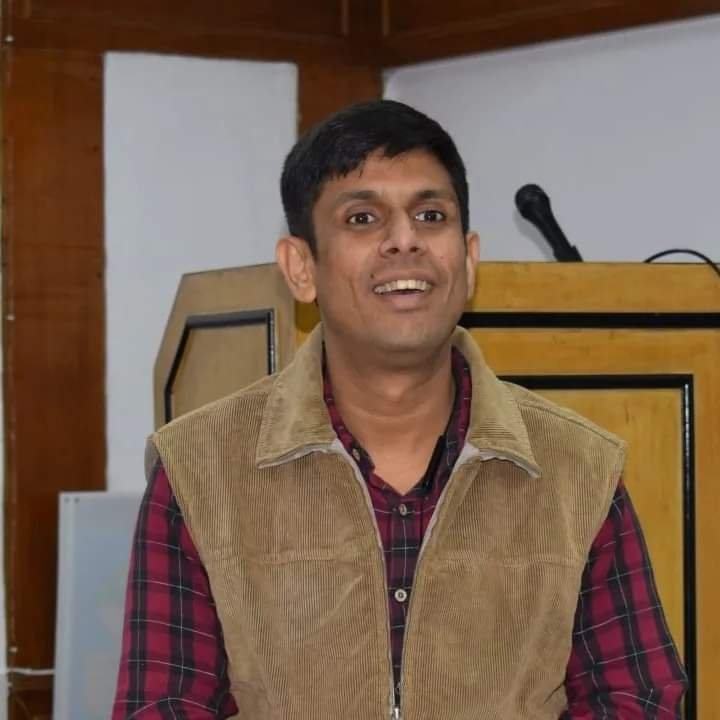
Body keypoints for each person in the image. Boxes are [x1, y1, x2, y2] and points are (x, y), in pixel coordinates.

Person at [112, 100, 687, 719]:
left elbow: (637, 701)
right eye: (362, 218)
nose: (405, 239)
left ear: (468, 259)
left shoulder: (579, 468)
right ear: (301, 268)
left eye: (430, 215)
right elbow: (162, 707)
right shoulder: (199, 469)